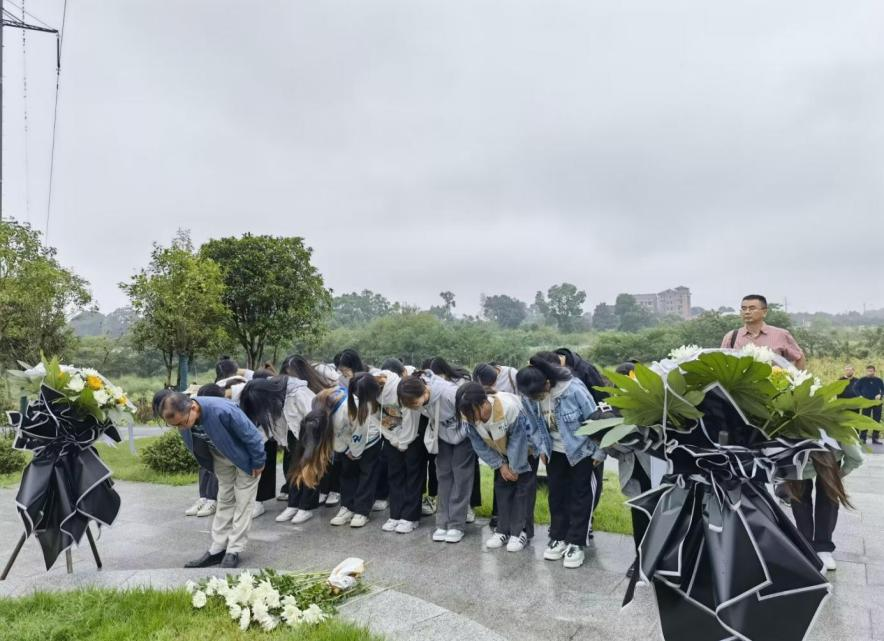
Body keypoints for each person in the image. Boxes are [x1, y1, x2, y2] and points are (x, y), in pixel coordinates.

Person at [154, 390, 266, 569]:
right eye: (176, 426)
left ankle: (234, 550)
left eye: (182, 423)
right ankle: (218, 548)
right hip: (220, 457)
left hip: (245, 459)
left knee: (243, 502)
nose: (181, 428)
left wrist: (258, 461)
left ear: (193, 407)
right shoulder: (183, 416)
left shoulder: (223, 410)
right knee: (225, 500)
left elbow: (252, 436)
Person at [518, 355, 605, 569]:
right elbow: (532, 424)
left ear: (548, 382)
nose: (536, 399)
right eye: (531, 397)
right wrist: (541, 447)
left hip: (582, 451)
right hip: (553, 451)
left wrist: (599, 452)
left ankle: (576, 542)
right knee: (556, 495)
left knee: (580, 496)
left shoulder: (573, 389)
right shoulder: (529, 395)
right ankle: (558, 537)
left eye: (539, 395)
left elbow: (596, 420)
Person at [457, 382, 536, 553]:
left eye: (472, 413)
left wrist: (515, 467)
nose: (470, 418)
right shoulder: (468, 416)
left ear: (484, 403)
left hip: (526, 449)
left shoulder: (509, 408)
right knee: (502, 488)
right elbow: (478, 445)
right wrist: (501, 465)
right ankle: (503, 530)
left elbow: (519, 439)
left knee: (523, 490)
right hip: (500, 451)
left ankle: (521, 532)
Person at [399, 371, 475, 544]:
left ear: (424, 391)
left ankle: (456, 524)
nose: (415, 407)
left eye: (415, 403)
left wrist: (464, 436)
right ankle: (442, 523)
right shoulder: (418, 398)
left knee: (461, 478)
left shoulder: (448, 393)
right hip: (442, 435)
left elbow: (470, 416)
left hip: (464, 436)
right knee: (443, 477)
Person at [787, 446, 863, 571]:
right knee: (799, 498)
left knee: (827, 498)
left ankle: (823, 547)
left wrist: (844, 470)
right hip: (797, 454)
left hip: (828, 454)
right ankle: (805, 545)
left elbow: (851, 448)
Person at [721, 294, 807, 369]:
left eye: (752, 308)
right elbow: (721, 363)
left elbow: (799, 357)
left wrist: (794, 380)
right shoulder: (731, 337)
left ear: (764, 312)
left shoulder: (781, 335)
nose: (747, 312)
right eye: (744, 309)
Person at [183, 383, 225, 518]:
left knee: (216, 465)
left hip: (219, 446)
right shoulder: (192, 411)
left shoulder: (221, 410)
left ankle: (212, 499)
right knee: (204, 465)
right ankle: (203, 498)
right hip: (203, 442)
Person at [855, 365, 884, 444]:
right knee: (865, 420)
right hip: (866, 402)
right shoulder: (862, 380)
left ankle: (875, 438)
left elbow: (883, 390)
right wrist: (860, 396)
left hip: (877, 402)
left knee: (876, 420)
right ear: (866, 371)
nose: (870, 372)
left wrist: (880, 395)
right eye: (868, 371)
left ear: (874, 371)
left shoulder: (879, 380)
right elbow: (855, 388)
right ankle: (863, 438)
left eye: (871, 371)